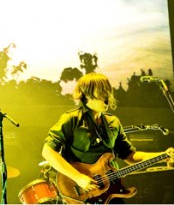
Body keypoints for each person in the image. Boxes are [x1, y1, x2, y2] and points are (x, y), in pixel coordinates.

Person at [42, 72, 174, 204]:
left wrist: (163, 155)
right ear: (86, 95)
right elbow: (47, 152)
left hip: (112, 190)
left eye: (107, 91)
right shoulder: (71, 119)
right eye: (101, 92)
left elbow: (130, 156)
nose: (107, 96)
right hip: (83, 193)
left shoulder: (113, 122)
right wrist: (78, 178)